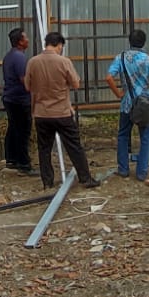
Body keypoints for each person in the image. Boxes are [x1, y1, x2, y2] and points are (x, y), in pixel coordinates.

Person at [22, 31, 102, 189]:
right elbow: (76, 84)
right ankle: (85, 178)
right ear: (59, 45)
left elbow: (27, 86)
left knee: (44, 149)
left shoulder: (32, 62)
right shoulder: (64, 62)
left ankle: (47, 182)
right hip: (62, 112)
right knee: (74, 146)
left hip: (41, 113)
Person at [107, 29, 149, 180]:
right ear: (144, 42)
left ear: (129, 41)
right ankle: (142, 172)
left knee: (123, 135)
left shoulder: (120, 58)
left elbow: (109, 77)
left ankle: (123, 169)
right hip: (145, 103)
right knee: (145, 137)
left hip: (127, 103)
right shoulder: (148, 60)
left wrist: (118, 93)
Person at [0, 28, 34, 173]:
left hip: (10, 98)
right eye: (26, 38)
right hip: (19, 99)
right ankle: (23, 163)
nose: (28, 40)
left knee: (13, 129)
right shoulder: (20, 58)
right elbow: (24, 80)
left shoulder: (9, 56)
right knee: (23, 131)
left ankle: (11, 159)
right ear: (20, 42)